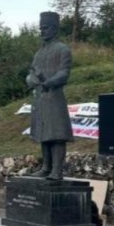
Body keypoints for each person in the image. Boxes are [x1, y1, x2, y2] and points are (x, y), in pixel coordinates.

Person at [26, 11, 73, 181]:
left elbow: (64, 73)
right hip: (40, 98)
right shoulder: (39, 53)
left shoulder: (62, 49)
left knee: (56, 134)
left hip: (54, 97)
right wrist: (31, 80)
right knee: (43, 133)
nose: (42, 31)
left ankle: (57, 170)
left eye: (45, 28)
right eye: (40, 28)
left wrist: (49, 82)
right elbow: (31, 73)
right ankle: (46, 167)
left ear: (54, 29)